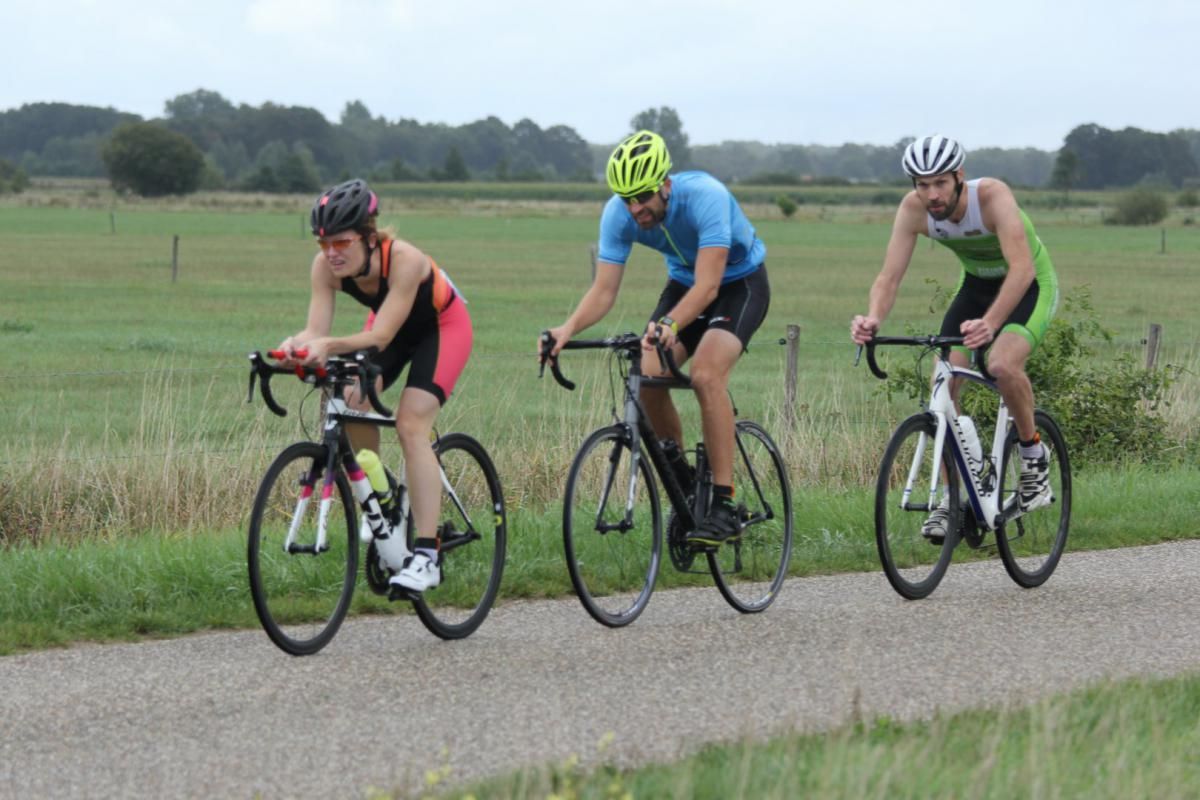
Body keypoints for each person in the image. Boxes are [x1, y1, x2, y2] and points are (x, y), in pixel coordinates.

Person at [541, 130, 770, 548]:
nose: (635, 208)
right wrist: (566, 329)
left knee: (705, 375)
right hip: (683, 285)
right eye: (626, 198)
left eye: (643, 196)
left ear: (665, 184)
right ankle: (684, 484)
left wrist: (670, 324)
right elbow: (604, 291)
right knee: (647, 374)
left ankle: (723, 502)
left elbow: (709, 286)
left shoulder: (706, 197)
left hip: (738, 285)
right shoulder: (617, 213)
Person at [850, 134, 1059, 539]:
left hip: (1029, 285)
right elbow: (889, 276)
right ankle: (953, 498)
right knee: (942, 385)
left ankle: (1033, 456)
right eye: (922, 184)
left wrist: (992, 324)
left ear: (959, 176)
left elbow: (1022, 271)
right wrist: (873, 317)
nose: (931, 194)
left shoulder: (992, 197)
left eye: (940, 183)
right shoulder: (914, 210)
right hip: (975, 289)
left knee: (1000, 364)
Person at [277, 178, 473, 592]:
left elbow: (379, 337)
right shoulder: (324, 269)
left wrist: (327, 346)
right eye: (323, 243)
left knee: (411, 425)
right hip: (391, 327)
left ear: (368, 237)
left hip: (442, 328)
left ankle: (427, 556)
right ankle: (385, 496)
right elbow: (316, 329)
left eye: (341, 242)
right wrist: (293, 347)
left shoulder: (405, 260)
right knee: (350, 396)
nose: (331, 253)